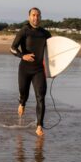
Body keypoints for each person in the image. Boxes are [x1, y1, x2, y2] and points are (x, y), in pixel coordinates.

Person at [10, 7, 51, 136]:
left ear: (41, 17)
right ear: (29, 17)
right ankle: (22, 103)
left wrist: (53, 69)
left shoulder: (45, 34)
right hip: (25, 69)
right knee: (24, 93)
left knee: (41, 97)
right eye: (33, 15)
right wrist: (23, 56)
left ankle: (39, 126)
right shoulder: (24, 31)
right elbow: (12, 48)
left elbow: (53, 51)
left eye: (38, 15)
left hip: (39, 70)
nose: (36, 17)